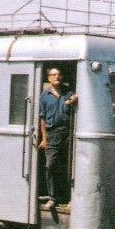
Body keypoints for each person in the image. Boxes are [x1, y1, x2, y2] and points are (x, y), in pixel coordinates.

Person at [38, 67, 78, 209]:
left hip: (68, 133)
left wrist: (74, 99)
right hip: (52, 134)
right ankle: (52, 197)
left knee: (69, 166)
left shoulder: (70, 93)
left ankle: (69, 197)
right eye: (54, 75)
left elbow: (77, 102)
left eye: (59, 74)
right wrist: (44, 138)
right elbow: (42, 117)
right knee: (50, 166)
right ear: (49, 78)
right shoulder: (44, 95)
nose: (57, 77)